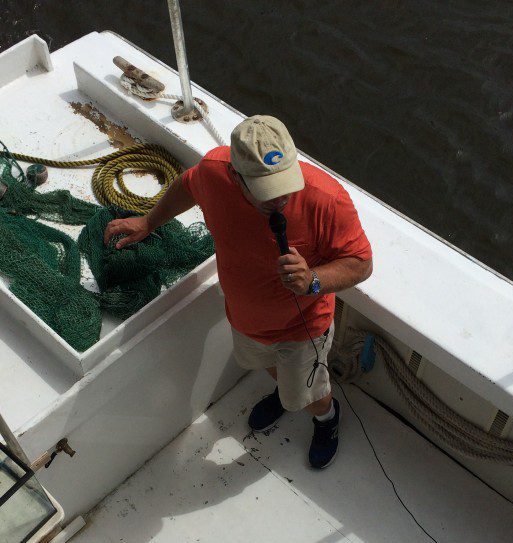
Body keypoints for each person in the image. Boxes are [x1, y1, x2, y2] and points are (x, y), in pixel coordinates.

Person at [104, 115, 372, 468]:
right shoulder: (215, 171)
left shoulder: (327, 200)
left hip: (301, 328)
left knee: (309, 394)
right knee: (264, 365)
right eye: (265, 191)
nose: (279, 200)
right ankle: (283, 394)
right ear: (235, 176)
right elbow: (187, 185)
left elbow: (360, 262)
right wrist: (149, 221)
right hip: (245, 318)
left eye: (285, 185)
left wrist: (313, 281)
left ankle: (327, 418)